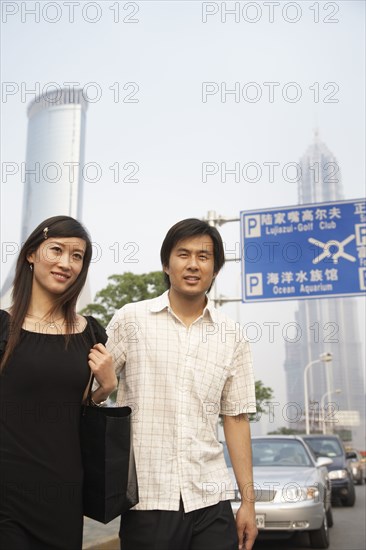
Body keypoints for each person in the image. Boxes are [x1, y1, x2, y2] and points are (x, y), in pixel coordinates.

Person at [106, 218, 258, 550]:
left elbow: (236, 418)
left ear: (215, 269)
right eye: (183, 254)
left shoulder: (231, 335)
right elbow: (93, 389)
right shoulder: (131, 320)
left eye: (203, 256)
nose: (193, 264)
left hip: (211, 498)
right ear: (166, 263)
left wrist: (248, 502)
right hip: (148, 499)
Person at [0, 216, 117, 550]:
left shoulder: (91, 332)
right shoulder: (2, 326)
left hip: (64, 494)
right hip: (6, 494)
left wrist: (104, 390)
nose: (66, 263)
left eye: (77, 256)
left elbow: (76, 411)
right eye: (57, 250)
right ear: (31, 254)